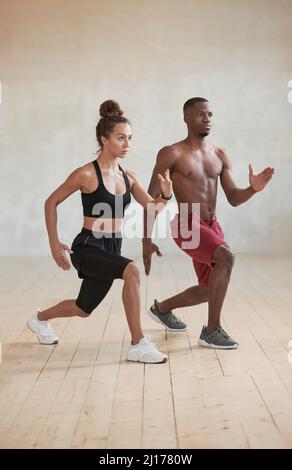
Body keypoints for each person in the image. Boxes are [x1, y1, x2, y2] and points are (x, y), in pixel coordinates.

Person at [27, 100, 173, 364]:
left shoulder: (128, 177)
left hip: (111, 247)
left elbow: (152, 209)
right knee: (132, 270)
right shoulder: (85, 173)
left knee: (83, 309)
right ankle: (139, 344)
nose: (127, 144)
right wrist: (54, 244)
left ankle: (39, 319)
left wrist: (166, 194)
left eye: (129, 138)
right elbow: (51, 202)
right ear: (104, 139)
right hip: (87, 247)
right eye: (120, 138)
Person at [143, 97, 274, 349]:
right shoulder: (171, 153)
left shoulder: (220, 154)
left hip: (211, 225)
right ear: (186, 118)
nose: (207, 119)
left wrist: (252, 189)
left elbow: (234, 198)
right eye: (200, 115)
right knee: (226, 257)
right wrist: (146, 239)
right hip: (186, 223)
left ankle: (162, 309)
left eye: (210, 114)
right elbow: (150, 198)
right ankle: (211, 330)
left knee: (208, 289)